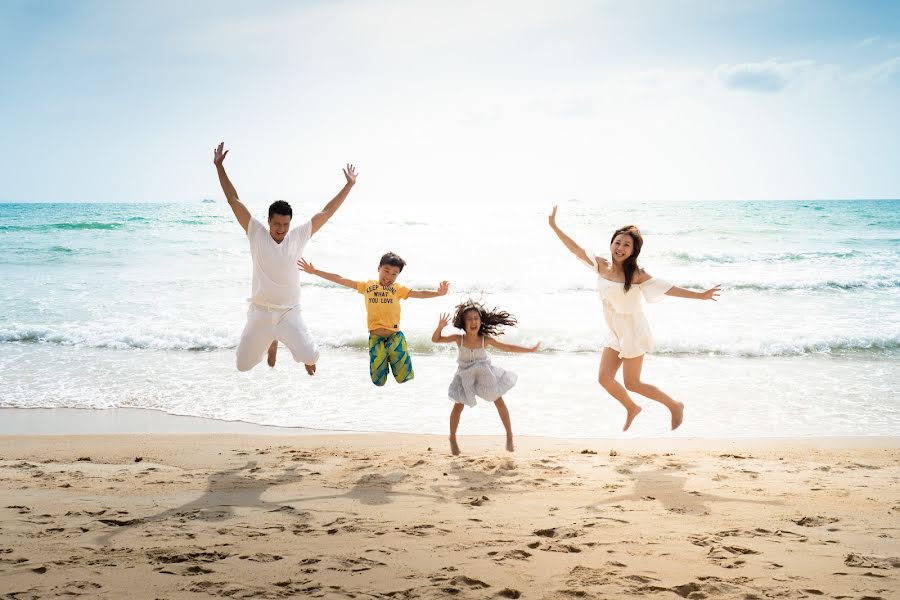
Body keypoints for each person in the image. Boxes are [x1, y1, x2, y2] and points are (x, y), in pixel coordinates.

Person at [547, 205, 720, 431]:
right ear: (611, 243)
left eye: (626, 245)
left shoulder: (637, 274)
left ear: (633, 251)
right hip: (615, 330)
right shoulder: (601, 265)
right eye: (617, 242)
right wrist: (554, 226)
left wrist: (701, 296)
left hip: (633, 331)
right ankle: (632, 408)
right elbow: (576, 249)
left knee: (633, 383)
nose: (620, 247)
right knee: (605, 379)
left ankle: (675, 405)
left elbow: (667, 288)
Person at [212, 141, 357, 373]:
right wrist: (219, 167)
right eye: (277, 223)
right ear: (268, 221)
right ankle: (271, 342)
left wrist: (349, 186)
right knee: (242, 366)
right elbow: (234, 200)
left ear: (290, 223)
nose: (281, 228)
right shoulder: (256, 233)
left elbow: (326, 212)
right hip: (260, 311)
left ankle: (280, 341)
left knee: (311, 355)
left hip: (289, 312)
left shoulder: (298, 236)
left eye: (285, 224)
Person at [295, 252, 449, 385]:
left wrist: (438, 293)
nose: (389, 276)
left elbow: (419, 294)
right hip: (376, 338)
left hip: (395, 337)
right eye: (386, 271)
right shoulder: (368, 286)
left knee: (403, 378)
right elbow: (341, 279)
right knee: (378, 382)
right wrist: (314, 271)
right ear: (379, 269)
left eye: (394, 273)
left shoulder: (398, 289)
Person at [431, 300, 540, 455]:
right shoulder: (458, 339)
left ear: (481, 321)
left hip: (484, 373)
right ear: (464, 323)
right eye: (469, 319)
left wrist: (530, 350)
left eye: (476, 318)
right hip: (465, 375)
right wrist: (440, 327)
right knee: (458, 407)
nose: (473, 322)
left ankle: (509, 435)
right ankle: (452, 438)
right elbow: (435, 339)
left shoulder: (485, 340)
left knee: (499, 401)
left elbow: (507, 348)